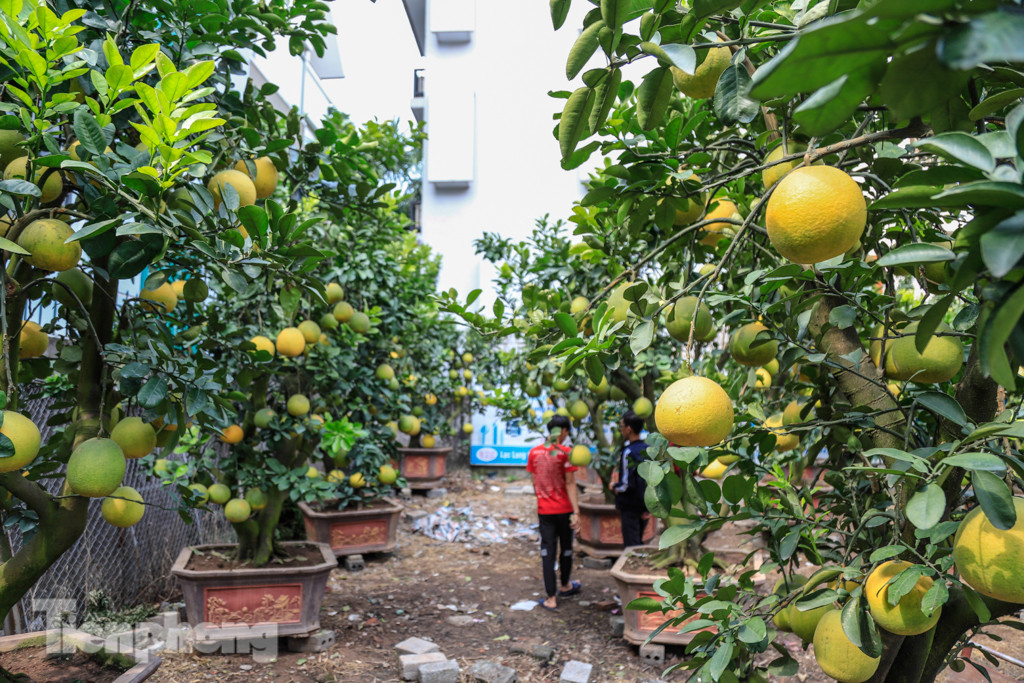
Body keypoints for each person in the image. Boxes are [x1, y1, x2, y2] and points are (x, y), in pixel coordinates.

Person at [526, 415, 581, 610]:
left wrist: (542, 500)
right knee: (566, 548)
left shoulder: (534, 453)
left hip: (545, 511)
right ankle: (565, 585)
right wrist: (576, 512)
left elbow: (534, 482)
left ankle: (551, 597)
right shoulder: (565, 453)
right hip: (565, 510)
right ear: (564, 431)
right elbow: (570, 483)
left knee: (547, 552)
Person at [613, 410, 650, 549]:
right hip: (644, 503)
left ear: (629, 429)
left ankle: (634, 567)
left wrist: (615, 487)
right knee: (638, 539)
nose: (621, 430)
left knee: (631, 544)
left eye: (622, 427)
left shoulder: (628, 451)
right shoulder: (647, 449)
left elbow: (626, 483)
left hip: (630, 505)